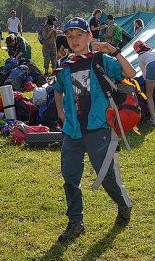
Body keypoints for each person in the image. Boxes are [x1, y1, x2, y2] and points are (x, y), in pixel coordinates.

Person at [53, 17, 135, 243]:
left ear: (89, 37)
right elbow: (58, 89)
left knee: (106, 176)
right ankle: (75, 222)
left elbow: (130, 73)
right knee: (70, 177)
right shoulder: (64, 65)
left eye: (79, 35)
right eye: (70, 36)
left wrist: (114, 51)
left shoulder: (101, 60)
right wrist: (60, 111)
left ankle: (123, 204)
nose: (74, 40)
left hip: (97, 128)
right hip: (72, 131)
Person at [134, 40, 155, 125]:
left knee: (149, 94)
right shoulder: (154, 51)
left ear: (137, 51)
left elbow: (144, 73)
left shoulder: (140, 56)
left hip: (152, 66)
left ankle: (153, 119)